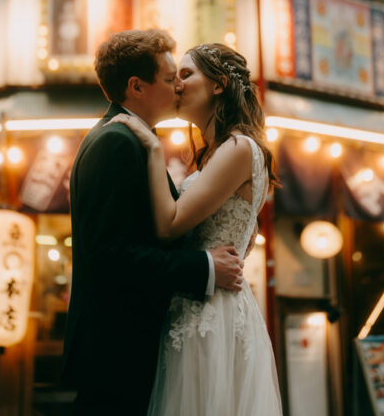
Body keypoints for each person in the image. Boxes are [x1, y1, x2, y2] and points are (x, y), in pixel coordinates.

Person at [62, 29, 244, 415]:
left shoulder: (132, 139)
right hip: (116, 349)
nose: (178, 87)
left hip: (125, 346)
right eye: (167, 79)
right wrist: (205, 266)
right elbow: (110, 256)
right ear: (136, 87)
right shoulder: (117, 142)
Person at [111, 43, 283, 416]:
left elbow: (170, 225)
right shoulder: (216, 152)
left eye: (186, 75)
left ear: (219, 85)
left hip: (211, 312)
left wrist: (153, 149)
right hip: (196, 298)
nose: (177, 85)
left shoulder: (238, 147)